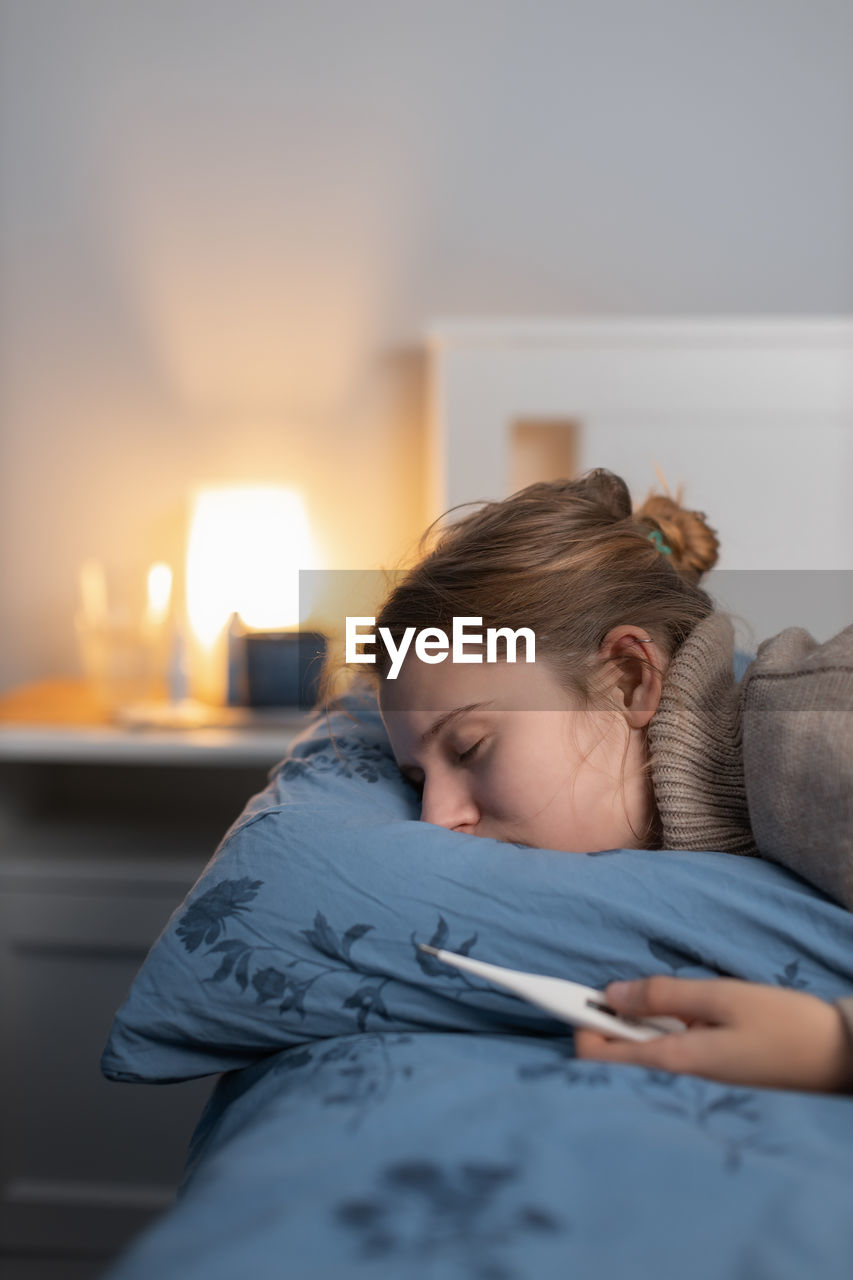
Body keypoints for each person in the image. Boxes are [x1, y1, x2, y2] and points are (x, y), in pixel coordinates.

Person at [330, 467, 853, 1093]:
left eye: (470, 748)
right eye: (417, 780)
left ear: (630, 679)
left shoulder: (814, 732)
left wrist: (833, 1045)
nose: (436, 820)